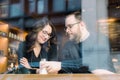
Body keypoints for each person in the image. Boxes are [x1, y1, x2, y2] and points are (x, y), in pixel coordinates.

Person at [40, 11, 116, 74]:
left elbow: (92, 62)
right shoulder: (68, 45)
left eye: (70, 26)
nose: (67, 30)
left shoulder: (100, 39)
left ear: (82, 25)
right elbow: (66, 70)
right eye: (66, 27)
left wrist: (62, 65)